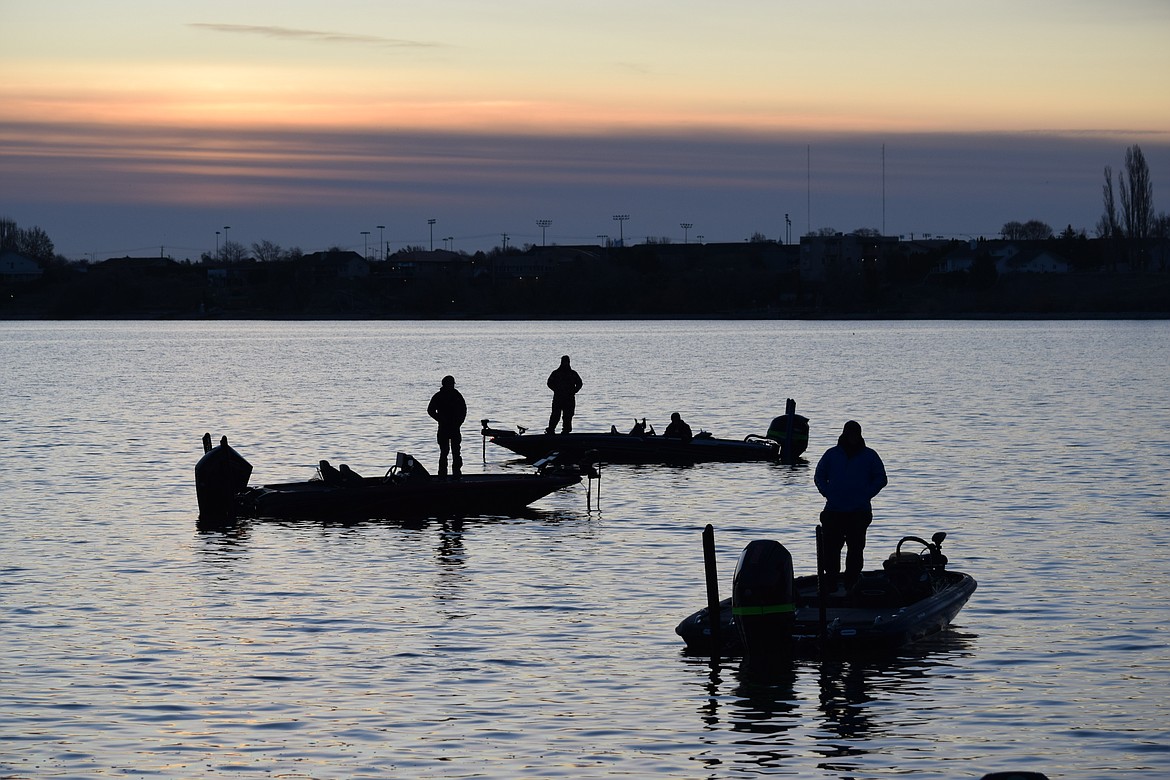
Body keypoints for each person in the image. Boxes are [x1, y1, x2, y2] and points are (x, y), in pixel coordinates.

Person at [813, 420, 888, 588]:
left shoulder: (870, 455)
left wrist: (866, 494)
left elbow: (881, 478)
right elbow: (819, 475)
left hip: (859, 512)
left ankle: (852, 583)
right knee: (831, 549)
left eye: (856, 433)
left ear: (860, 435)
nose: (853, 437)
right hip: (834, 510)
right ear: (844, 434)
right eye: (850, 433)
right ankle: (831, 581)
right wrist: (827, 492)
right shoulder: (831, 454)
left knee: (856, 549)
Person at [427, 375, 467, 478]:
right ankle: (442, 476)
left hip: (454, 428)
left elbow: (464, 409)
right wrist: (440, 419)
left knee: (456, 452)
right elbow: (430, 410)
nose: (452, 386)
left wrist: (459, 422)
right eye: (450, 384)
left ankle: (456, 475)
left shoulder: (457, 395)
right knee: (444, 452)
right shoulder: (438, 396)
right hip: (444, 428)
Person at [545, 355, 583, 434]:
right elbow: (549, 383)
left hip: (569, 398)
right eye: (564, 362)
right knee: (555, 415)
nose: (565, 364)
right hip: (559, 398)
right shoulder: (556, 373)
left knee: (568, 416)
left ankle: (566, 431)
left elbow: (579, 383)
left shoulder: (573, 373)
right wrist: (556, 390)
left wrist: (574, 391)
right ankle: (551, 430)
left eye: (567, 362)